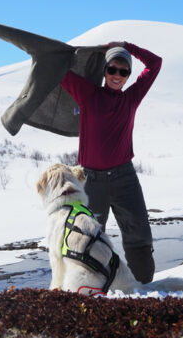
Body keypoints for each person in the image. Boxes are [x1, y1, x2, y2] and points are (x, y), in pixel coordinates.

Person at [59, 41, 161, 283]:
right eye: (112, 69)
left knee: (139, 237)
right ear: (105, 71)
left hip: (125, 178)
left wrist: (127, 46)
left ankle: (144, 288)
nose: (117, 76)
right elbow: (57, 70)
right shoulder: (88, 93)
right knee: (87, 241)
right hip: (91, 180)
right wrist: (87, 54)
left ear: (128, 76)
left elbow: (155, 63)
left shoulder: (131, 98)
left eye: (123, 72)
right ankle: (94, 291)